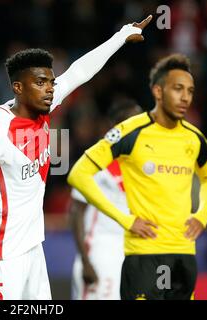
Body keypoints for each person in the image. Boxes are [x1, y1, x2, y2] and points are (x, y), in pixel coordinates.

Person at [0, 16, 153, 300]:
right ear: (18, 88)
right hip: (1, 254)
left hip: (32, 250)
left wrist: (120, 37)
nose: (50, 88)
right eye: (41, 82)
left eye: (51, 81)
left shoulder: (43, 107)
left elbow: (80, 71)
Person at [67, 54, 207, 300]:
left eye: (190, 90)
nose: (185, 97)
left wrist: (201, 216)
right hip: (107, 251)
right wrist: (89, 255)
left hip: (171, 251)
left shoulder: (191, 139)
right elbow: (76, 200)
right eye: (178, 89)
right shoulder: (106, 162)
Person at [70, 99, 142, 300]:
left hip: (129, 253)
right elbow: (76, 211)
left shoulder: (141, 164)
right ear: (117, 126)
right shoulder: (96, 161)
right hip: (100, 252)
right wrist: (86, 261)